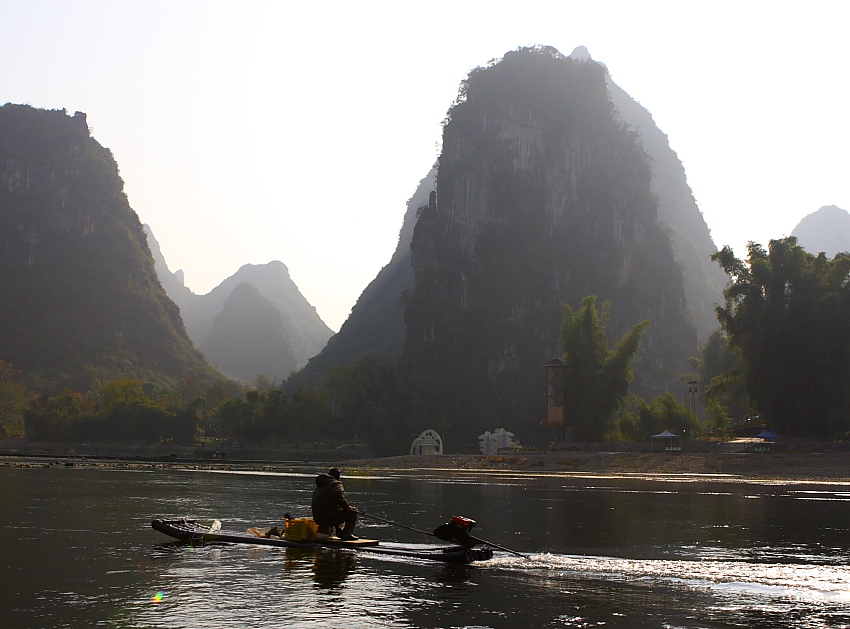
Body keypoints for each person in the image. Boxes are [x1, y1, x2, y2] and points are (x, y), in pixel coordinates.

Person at [311, 467, 358, 540]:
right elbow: (338, 496)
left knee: (336, 509)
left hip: (317, 517)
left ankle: (339, 531)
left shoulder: (321, 484)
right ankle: (346, 534)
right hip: (328, 516)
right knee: (353, 512)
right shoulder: (336, 484)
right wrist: (347, 508)